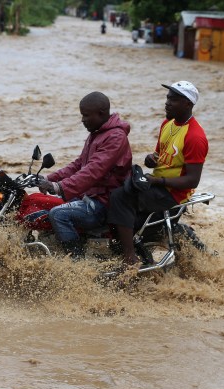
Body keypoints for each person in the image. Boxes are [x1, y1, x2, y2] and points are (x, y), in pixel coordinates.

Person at [107, 81, 208, 268]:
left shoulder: (195, 136)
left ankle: (129, 257)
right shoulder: (167, 124)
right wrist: (150, 159)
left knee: (119, 197)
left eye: (174, 99)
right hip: (157, 184)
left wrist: (158, 181)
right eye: (167, 98)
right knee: (114, 185)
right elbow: (159, 155)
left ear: (188, 104)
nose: (167, 103)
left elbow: (193, 180)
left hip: (172, 194)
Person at [38, 92, 132, 258]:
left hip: (104, 202)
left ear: (101, 113)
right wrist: (48, 178)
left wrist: (59, 187)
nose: (83, 120)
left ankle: (76, 265)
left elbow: (93, 171)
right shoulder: (97, 133)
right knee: (43, 206)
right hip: (89, 196)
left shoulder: (115, 137)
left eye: (86, 115)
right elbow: (78, 165)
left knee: (58, 215)